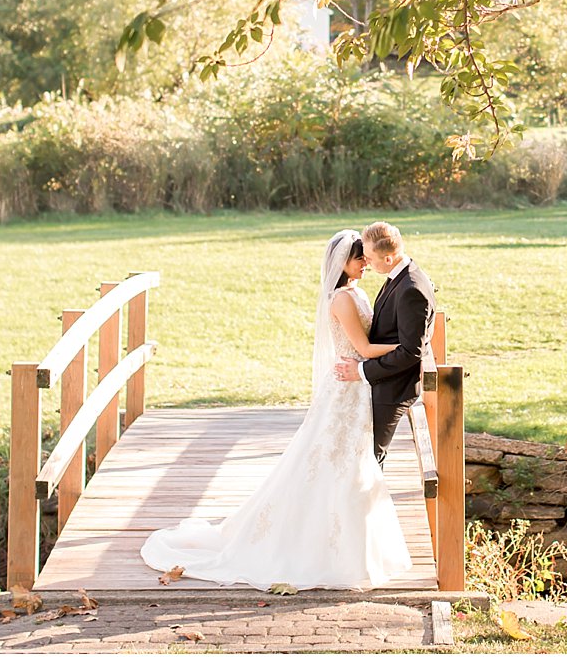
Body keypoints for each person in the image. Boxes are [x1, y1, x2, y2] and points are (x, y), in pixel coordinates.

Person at [138, 230, 413, 589]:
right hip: (347, 387)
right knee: (334, 466)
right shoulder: (342, 300)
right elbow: (361, 345)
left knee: (350, 468)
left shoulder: (357, 293)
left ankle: (352, 549)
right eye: (359, 258)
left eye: (365, 257)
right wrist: (406, 348)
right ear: (343, 263)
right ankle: (318, 549)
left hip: (357, 388)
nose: (365, 263)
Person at [334, 221, 437, 465]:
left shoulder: (411, 288)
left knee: (370, 458)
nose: (366, 262)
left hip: (392, 387)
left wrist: (360, 371)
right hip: (382, 380)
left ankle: (366, 503)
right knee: (363, 455)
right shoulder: (400, 275)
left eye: (369, 257)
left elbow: (411, 351)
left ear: (389, 258)